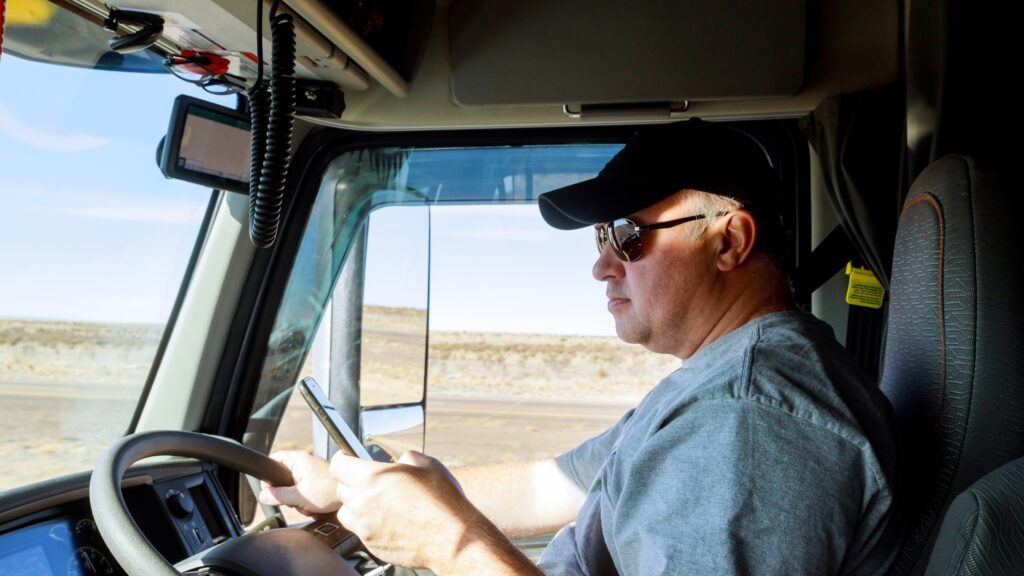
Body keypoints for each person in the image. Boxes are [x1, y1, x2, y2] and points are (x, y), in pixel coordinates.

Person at [260, 119, 902, 575]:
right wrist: (352, 490)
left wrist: (450, 543)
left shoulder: (750, 423)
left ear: (729, 242)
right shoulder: (718, 383)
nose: (600, 266)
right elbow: (550, 487)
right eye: (599, 237)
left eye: (626, 235)